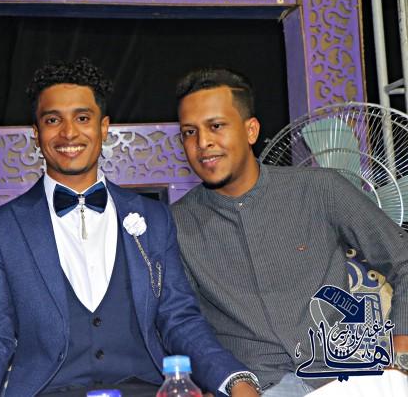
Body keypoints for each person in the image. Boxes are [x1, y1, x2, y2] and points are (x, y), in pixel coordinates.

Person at [0, 58, 261, 397]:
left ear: (104, 128)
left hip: (145, 390)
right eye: (53, 120)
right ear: (36, 134)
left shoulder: (154, 218)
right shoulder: (1, 228)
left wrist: (235, 380)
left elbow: (180, 320)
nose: (69, 133)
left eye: (82, 118)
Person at [171, 67, 408, 396]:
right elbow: (182, 324)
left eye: (216, 126)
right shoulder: (175, 225)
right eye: (189, 132)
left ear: (251, 130)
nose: (203, 143)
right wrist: (229, 381)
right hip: (257, 386)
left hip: (344, 378)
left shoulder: (319, 189)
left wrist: (401, 354)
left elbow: (403, 259)